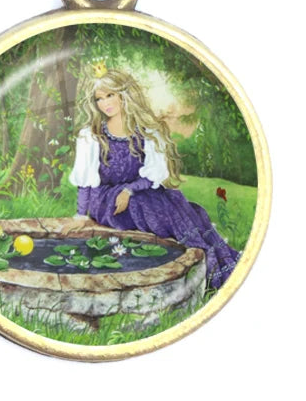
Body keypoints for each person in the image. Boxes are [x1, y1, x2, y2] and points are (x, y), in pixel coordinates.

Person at [63, 66, 239, 290]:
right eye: (99, 99)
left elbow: (152, 176)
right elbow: (85, 181)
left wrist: (129, 190)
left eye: (110, 95)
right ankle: (203, 259)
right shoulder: (91, 135)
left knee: (177, 203)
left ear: (124, 95)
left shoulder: (146, 132)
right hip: (106, 199)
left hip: (137, 191)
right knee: (143, 205)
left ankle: (214, 260)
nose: (105, 103)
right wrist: (81, 215)